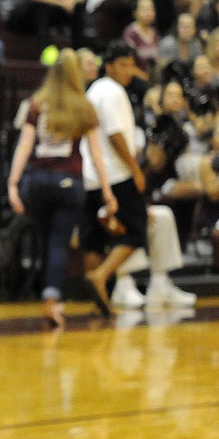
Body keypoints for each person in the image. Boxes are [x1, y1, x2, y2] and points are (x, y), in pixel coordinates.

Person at [7, 48, 115, 329]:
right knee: (58, 242)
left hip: (38, 182)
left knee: (46, 241)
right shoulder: (82, 106)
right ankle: (52, 300)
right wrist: (107, 190)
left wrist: (13, 183)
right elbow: (96, 153)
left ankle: (49, 294)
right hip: (69, 182)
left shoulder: (37, 103)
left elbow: (24, 145)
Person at [79, 42, 150, 315]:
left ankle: (98, 300)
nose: (128, 70)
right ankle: (100, 276)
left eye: (130, 64)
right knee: (135, 231)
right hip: (116, 175)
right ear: (108, 66)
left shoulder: (94, 89)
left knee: (93, 237)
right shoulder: (112, 91)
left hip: (91, 175)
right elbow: (115, 134)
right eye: (122, 64)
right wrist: (135, 168)